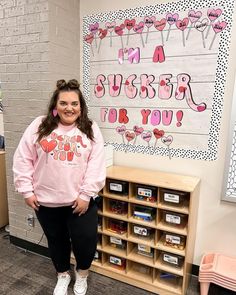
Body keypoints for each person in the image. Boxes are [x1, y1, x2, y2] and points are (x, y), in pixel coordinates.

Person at [13, 79, 106, 295]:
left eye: (74, 103)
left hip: (80, 202)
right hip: (46, 201)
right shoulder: (39, 125)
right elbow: (23, 158)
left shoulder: (90, 129)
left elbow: (96, 165)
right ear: (55, 105)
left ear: (80, 106)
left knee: (85, 243)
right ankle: (63, 275)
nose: (69, 108)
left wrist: (85, 195)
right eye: (63, 103)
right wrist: (26, 190)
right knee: (57, 242)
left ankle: (82, 274)